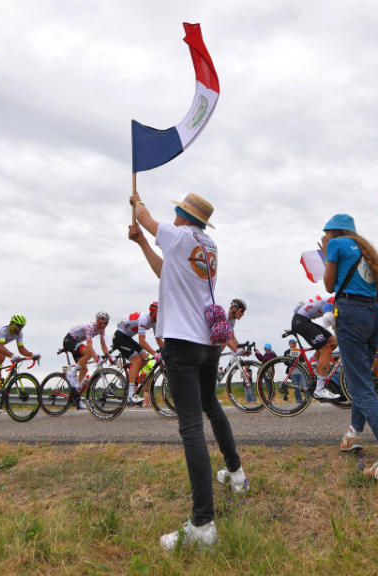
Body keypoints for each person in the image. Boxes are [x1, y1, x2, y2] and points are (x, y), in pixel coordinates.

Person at [129, 191, 245, 550]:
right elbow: (166, 272)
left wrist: (136, 202)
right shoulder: (208, 245)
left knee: (191, 425)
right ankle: (236, 474)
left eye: (176, 213)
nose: (174, 218)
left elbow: (147, 221)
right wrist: (140, 245)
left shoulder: (179, 236)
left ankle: (203, 524)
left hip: (181, 339)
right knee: (211, 405)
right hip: (209, 340)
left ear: (181, 215)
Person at [322, 213, 378, 479]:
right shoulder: (368, 249)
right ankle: (353, 435)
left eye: (326, 234)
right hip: (373, 317)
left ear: (334, 232)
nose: (325, 238)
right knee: (363, 381)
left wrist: (326, 254)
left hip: (351, 313)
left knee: (360, 388)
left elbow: (327, 285)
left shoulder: (335, 245)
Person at [290, 294, 339, 400]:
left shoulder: (338, 302)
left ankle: (313, 362)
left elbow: (335, 319)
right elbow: (328, 316)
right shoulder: (334, 300)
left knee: (333, 342)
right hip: (300, 321)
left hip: (305, 320)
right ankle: (319, 390)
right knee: (326, 350)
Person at [112, 303, 163, 405]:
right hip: (119, 337)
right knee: (137, 360)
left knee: (144, 358)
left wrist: (168, 350)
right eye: (159, 313)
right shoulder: (144, 319)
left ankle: (131, 377)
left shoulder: (155, 322)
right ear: (152, 312)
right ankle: (131, 395)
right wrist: (155, 354)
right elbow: (142, 342)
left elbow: (158, 340)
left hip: (127, 337)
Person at [0, 315, 38, 394]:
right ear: (12, 324)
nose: (20, 328)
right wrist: (12, 355)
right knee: (1, 357)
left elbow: (21, 349)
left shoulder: (19, 334)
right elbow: (0, 347)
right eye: (19, 326)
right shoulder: (2, 330)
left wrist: (32, 355)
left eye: (22, 326)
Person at [64, 312, 110, 386]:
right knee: (88, 353)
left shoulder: (102, 329)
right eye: (105, 322)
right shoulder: (90, 326)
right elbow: (89, 346)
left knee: (84, 369)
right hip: (69, 340)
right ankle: (72, 374)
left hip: (76, 342)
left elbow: (103, 344)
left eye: (107, 323)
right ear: (98, 321)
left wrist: (109, 357)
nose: (106, 325)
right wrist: (97, 359)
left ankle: (76, 389)